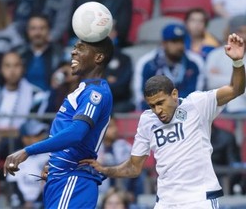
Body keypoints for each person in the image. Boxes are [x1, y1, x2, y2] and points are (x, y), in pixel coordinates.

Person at [81, 33, 245, 208]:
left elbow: (236, 89)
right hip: (165, 202)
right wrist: (105, 170)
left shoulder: (198, 104)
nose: (157, 110)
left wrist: (237, 62)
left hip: (199, 199)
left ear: (174, 94)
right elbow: (134, 168)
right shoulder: (147, 120)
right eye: (152, 105)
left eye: (160, 103)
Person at [3, 37, 114, 208]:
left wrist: (28, 151)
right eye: (74, 47)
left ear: (98, 57)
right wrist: (55, 163)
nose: (73, 51)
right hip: (62, 177)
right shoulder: (83, 90)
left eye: (81, 48)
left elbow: (76, 133)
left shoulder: (95, 93)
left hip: (72, 180)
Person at [133, 23, 205, 110]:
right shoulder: (147, 63)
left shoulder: (194, 62)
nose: (179, 46)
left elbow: (196, 95)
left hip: (187, 113)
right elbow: (141, 97)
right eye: (174, 42)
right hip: (154, 114)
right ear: (164, 43)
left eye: (181, 41)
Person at [206, 14, 246, 114]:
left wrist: (222, 79)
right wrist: (240, 82)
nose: (244, 36)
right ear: (231, 32)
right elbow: (211, 82)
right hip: (218, 108)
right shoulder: (215, 55)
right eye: (240, 31)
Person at [5, 119, 50, 209]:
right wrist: (23, 203)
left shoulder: (48, 156)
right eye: (37, 135)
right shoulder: (16, 157)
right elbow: (12, 184)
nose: (41, 137)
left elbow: (48, 183)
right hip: (20, 203)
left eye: (41, 135)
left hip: (43, 202)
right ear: (25, 139)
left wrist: (38, 202)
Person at [19, 14, 65, 91]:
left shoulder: (59, 54)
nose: (38, 33)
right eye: (33, 28)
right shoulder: (20, 54)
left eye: (42, 28)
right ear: (27, 31)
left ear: (49, 30)